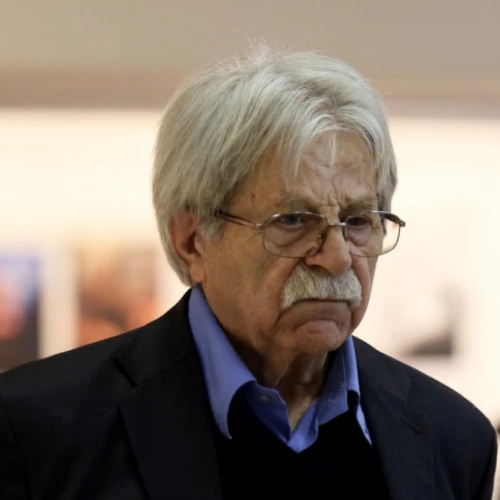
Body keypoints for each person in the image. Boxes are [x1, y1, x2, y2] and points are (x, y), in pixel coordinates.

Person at [0, 46, 496, 500]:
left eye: (358, 221)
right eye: (293, 220)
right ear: (192, 240)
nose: (338, 258)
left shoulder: (452, 437)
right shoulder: (35, 430)